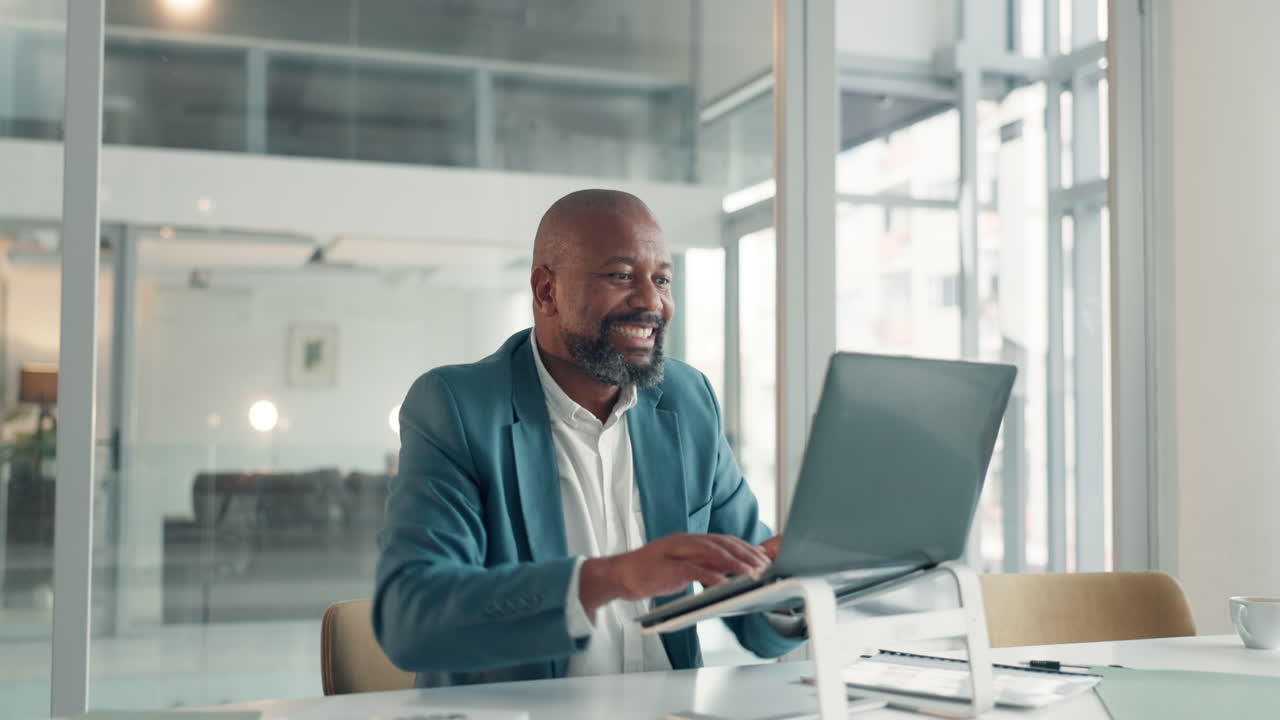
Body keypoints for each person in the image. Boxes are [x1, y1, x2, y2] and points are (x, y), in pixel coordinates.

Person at [374, 189, 803, 687]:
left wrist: (806, 576)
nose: (651, 302)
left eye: (661, 279)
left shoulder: (686, 401)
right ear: (545, 291)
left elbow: (760, 618)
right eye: (621, 276)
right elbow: (411, 618)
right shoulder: (457, 407)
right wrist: (612, 578)